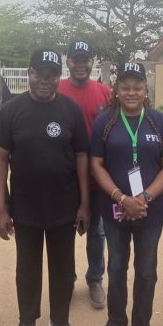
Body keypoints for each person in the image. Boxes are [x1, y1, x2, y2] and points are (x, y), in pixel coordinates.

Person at [0, 48, 90, 326]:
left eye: (51, 74)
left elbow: (82, 158)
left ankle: (60, 322)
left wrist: (85, 204)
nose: (44, 80)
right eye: (38, 73)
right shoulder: (11, 110)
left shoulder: (71, 110)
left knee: (64, 270)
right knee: (27, 270)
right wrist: (0, 208)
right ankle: (26, 323)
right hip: (25, 207)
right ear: (29, 73)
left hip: (64, 206)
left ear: (57, 76)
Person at [91, 62, 163, 326]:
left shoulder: (160, 122)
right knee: (115, 267)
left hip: (150, 211)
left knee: (146, 271)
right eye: (125, 86)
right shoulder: (104, 122)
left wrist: (144, 197)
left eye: (137, 86)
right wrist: (120, 197)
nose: (131, 92)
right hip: (113, 208)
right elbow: (96, 165)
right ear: (116, 90)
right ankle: (116, 321)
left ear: (145, 90)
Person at [57, 39, 112, 309]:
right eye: (75, 59)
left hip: (97, 177)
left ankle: (94, 279)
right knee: (65, 230)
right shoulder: (57, 89)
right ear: (68, 62)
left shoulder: (105, 93)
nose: (80, 64)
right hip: (65, 177)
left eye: (85, 59)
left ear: (92, 62)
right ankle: (66, 278)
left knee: (97, 233)